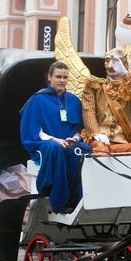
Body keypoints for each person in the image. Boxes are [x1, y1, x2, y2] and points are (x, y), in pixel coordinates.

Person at [20, 62, 86, 213]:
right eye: (58, 76)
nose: (62, 80)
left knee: (84, 150)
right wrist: (54, 139)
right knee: (55, 148)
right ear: (49, 77)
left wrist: (75, 139)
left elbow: (79, 129)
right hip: (46, 143)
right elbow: (35, 130)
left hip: (70, 142)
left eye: (65, 77)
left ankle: (79, 199)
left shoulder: (74, 100)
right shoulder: (38, 99)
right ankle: (58, 200)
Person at [81, 47, 131, 155]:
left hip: (122, 142)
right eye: (107, 60)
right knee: (100, 149)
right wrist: (96, 133)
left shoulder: (128, 86)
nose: (110, 65)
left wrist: (125, 74)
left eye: (116, 61)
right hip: (100, 141)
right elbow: (88, 111)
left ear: (124, 64)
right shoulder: (94, 84)